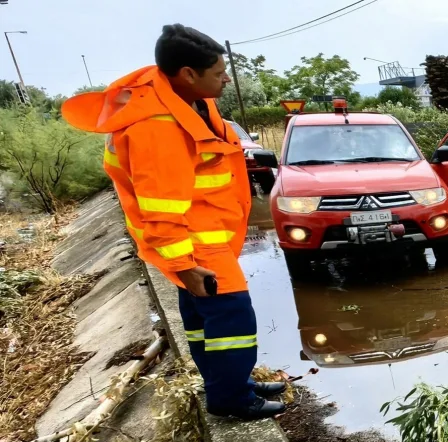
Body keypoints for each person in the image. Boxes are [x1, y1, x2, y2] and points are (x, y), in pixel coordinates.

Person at [63, 25, 286, 420]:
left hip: (204, 234)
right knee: (233, 318)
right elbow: (159, 205)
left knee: (203, 321)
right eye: (219, 73)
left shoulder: (185, 98)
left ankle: (231, 384)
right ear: (188, 73)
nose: (226, 79)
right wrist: (184, 263)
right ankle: (232, 400)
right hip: (193, 241)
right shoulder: (157, 127)